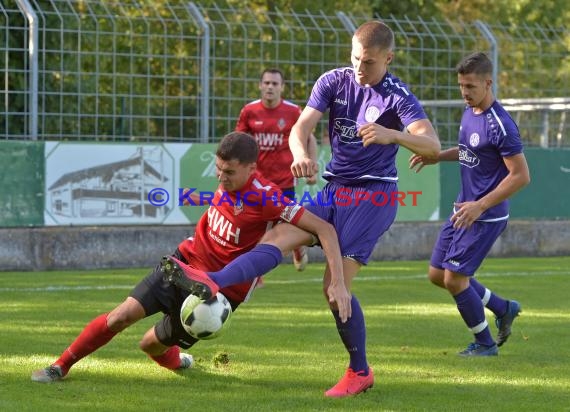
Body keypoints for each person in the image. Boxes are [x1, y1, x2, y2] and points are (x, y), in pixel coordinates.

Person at [31, 131, 351, 383]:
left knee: (149, 346)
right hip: (183, 263)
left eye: (229, 172)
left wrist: (337, 282)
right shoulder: (227, 180)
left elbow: (324, 228)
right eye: (218, 169)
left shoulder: (267, 198)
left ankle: (178, 360)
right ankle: (61, 366)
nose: (221, 178)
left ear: (251, 169)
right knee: (120, 316)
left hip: (219, 292)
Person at [282, 21, 441, 397]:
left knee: (333, 287)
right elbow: (300, 128)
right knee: (273, 235)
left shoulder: (397, 96)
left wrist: (394, 135)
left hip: (374, 198)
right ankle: (214, 291)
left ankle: (360, 372)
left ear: (388, 58)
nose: (359, 68)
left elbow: (432, 145)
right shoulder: (334, 81)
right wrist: (301, 155)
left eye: (368, 62)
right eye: (354, 58)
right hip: (334, 189)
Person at [409, 52, 530, 356]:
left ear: (488, 83)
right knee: (438, 274)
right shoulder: (469, 111)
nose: (464, 92)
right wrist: (437, 156)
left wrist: (481, 206)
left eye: (471, 86)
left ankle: (485, 344)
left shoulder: (500, 124)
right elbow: (467, 151)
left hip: (484, 216)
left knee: (454, 279)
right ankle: (503, 308)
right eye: (461, 85)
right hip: (463, 210)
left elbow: (521, 176)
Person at [236, 68, 318, 273]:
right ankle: (253, 272)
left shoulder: (292, 112)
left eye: (274, 83)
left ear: (282, 87)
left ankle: (297, 246)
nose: (270, 87)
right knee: (247, 227)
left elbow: (309, 138)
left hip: (284, 182)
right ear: (260, 85)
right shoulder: (249, 111)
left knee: (286, 224)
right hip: (255, 182)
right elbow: (239, 143)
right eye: (266, 83)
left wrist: (311, 166)